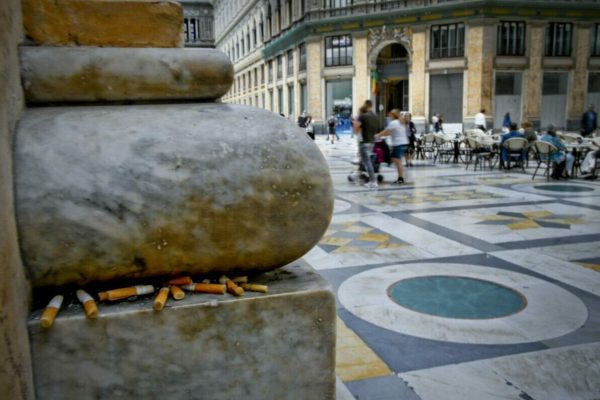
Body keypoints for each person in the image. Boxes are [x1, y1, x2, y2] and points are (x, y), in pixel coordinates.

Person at [375, 110, 408, 184]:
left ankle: (401, 178)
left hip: (398, 144)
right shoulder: (400, 122)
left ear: (393, 115)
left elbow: (386, 131)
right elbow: (389, 133)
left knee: (397, 161)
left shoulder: (394, 122)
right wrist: (381, 136)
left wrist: (377, 135)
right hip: (403, 143)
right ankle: (400, 177)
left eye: (390, 115)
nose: (389, 117)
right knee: (396, 160)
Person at [354, 100, 379, 189]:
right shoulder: (375, 116)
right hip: (372, 142)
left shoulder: (363, 116)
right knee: (365, 161)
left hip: (364, 141)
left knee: (367, 162)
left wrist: (357, 132)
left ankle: (373, 181)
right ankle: (358, 174)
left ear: (365, 105)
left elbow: (356, 127)